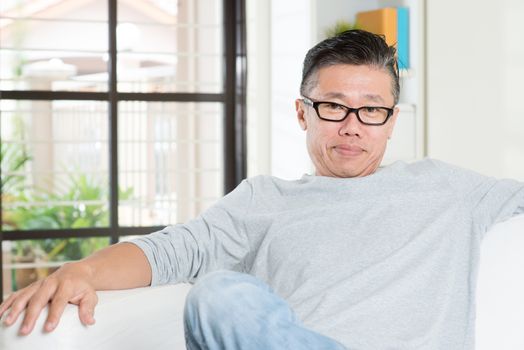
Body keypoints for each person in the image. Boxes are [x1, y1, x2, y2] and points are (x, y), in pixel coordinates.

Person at [1, 29, 524, 350]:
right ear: (303, 112)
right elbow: (171, 251)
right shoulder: (264, 201)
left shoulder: (449, 188)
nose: (352, 126)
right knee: (220, 297)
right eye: (334, 106)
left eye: (372, 110)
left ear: (391, 121)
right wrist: (82, 270)